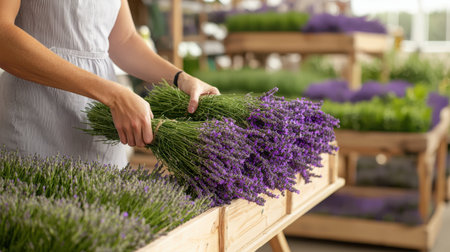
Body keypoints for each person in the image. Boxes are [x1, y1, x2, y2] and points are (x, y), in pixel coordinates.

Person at [0, 0, 220, 168]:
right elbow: (3, 36)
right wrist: (113, 94)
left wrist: (181, 78)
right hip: (36, 115)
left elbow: (123, 40)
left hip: (101, 119)